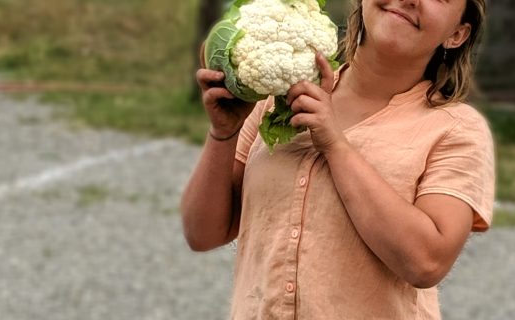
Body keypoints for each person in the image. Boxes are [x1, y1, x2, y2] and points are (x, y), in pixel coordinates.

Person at [181, 0, 494, 318]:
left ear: (457, 33)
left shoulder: (457, 130)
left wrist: (336, 145)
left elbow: (427, 263)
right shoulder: (280, 95)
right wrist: (223, 133)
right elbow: (202, 233)